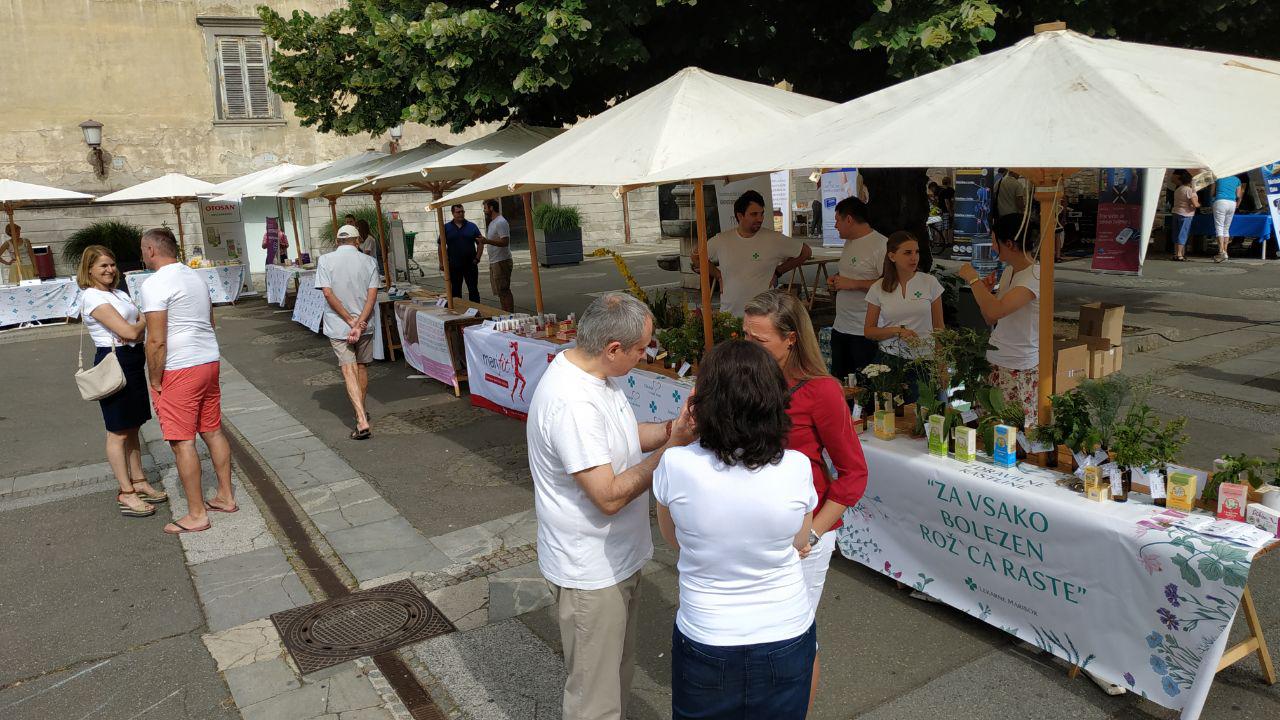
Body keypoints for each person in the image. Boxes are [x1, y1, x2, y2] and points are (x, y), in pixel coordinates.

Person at [526, 292, 694, 720]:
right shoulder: (573, 403)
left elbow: (620, 437)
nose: (646, 355)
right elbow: (608, 496)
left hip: (614, 560)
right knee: (593, 697)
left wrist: (673, 428)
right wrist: (670, 451)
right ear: (613, 348)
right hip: (591, 570)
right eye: (641, 349)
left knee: (615, 672)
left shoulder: (597, 376)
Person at [654, 339, 818, 720]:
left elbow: (673, 539)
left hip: (708, 631)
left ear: (703, 403)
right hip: (784, 630)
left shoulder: (675, 464)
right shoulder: (796, 466)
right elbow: (799, 540)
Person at [742, 289, 867, 710]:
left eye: (758, 340)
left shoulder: (822, 391)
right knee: (752, 633)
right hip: (752, 531)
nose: (748, 347)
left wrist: (811, 534)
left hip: (803, 537)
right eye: (745, 336)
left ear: (790, 339)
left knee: (794, 638)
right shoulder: (745, 377)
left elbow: (853, 474)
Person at [137, 227, 236, 534]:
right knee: (212, 430)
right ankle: (225, 495)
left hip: (179, 367)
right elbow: (210, 320)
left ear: (152, 250)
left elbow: (155, 340)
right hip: (208, 359)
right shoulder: (194, 277)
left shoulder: (154, 283)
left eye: (143, 249)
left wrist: (155, 378)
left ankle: (196, 514)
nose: (143, 254)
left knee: (182, 442)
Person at [77, 245, 167, 518]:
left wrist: (138, 328)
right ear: (89, 269)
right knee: (117, 431)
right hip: (113, 360)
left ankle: (139, 480)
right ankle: (126, 492)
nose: (109, 270)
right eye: (103, 265)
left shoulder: (117, 293)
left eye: (112, 264)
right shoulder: (91, 297)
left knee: (132, 426)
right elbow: (129, 329)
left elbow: (136, 330)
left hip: (132, 358)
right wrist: (140, 324)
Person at [958, 215, 1041, 425]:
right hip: (996, 359)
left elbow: (996, 311)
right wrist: (985, 293)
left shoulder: (1035, 276)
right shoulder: (1010, 271)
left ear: (1009, 244)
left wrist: (974, 279)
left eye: (995, 241)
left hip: (1018, 366)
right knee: (988, 427)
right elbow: (989, 316)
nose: (993, 247)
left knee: (1010, 433)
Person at [694, 190, 811, 317]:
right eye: (754, 214)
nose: (759, 219)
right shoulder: (722, 239)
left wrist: (779, 271)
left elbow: (805, 252)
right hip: (730, 315)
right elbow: (696, 257)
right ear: (740, 216)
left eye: (761, 214)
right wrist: (718, 275)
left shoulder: (774, 239)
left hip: (763, 317)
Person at [316, 224, 380, 440]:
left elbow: (327, 293)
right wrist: (359, 321)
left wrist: (349, 320)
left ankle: (361, 418)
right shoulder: (369, 261)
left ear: (337, 241)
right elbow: (372, 296)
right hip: (364, 324)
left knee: (348, 369)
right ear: (357, 240)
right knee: (361, 367)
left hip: (338, 324)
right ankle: (360, 412)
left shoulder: (325, 260)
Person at [863, 231, 945, 396]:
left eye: (917, 252)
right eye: (907, 253)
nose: (914, 257)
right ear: (892, 256)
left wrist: (942, 366)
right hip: (891, 360)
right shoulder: (878, 288)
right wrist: (898, 331)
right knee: (890, 416)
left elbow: (939, 328)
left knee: (927, 415)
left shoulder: (930, 283)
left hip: (925, 361)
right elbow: (869, 331)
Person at [825, 197, 887, 380]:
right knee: (842, 383)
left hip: (863, 331)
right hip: (841, 327)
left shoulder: (881, 245)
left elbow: (889, 285)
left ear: (849, 220)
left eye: (837, 220)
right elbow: (851, 273)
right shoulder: (849, 242)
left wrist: (852, 284)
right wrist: (836, 279)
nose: (835, 225)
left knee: (865, 387)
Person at [440, 204, 482, 302]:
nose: (461, 214)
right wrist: (442, 262)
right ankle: (458, 312)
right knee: (455, 291)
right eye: (458, 212)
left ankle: (477, 311)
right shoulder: (446, 228)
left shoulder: (472, 226)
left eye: (462, 212)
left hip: (470, 264)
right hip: (454, 265)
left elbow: (480, 242)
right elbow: (441, 246)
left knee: (473, 290)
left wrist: (477, 258)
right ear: (453, 213)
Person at [480, 199, 514, 311]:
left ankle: (510, 314)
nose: (484, 211)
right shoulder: (492, 222)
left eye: (485, 208)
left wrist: (487, 241)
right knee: (500, 291)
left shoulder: (500, 222)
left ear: (491, 208)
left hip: (501, 261)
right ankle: (505, 313)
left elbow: (505, 242)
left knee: (504, 290)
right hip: (495, 261)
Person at [1211, 173, 1245, 263]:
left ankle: (1221, 252)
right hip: (1232, 203)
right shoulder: (1237, 180)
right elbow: (1239, 195)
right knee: (1226, 228)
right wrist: (1237, 204)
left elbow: (1212, 193)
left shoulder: (1217, 178)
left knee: (1219, 227)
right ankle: (1225, 252)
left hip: (1220, 201)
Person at [1169, 170, 1199, 262]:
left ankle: (1176, 253)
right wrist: (1199, 204)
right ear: (1190, 181)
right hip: (1186, 214)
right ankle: (1179, 254)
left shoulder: (1178, 189)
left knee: (1176, 233)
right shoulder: (1190, 190)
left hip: (1176, 212)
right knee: (1183, 233)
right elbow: (1195, 204)